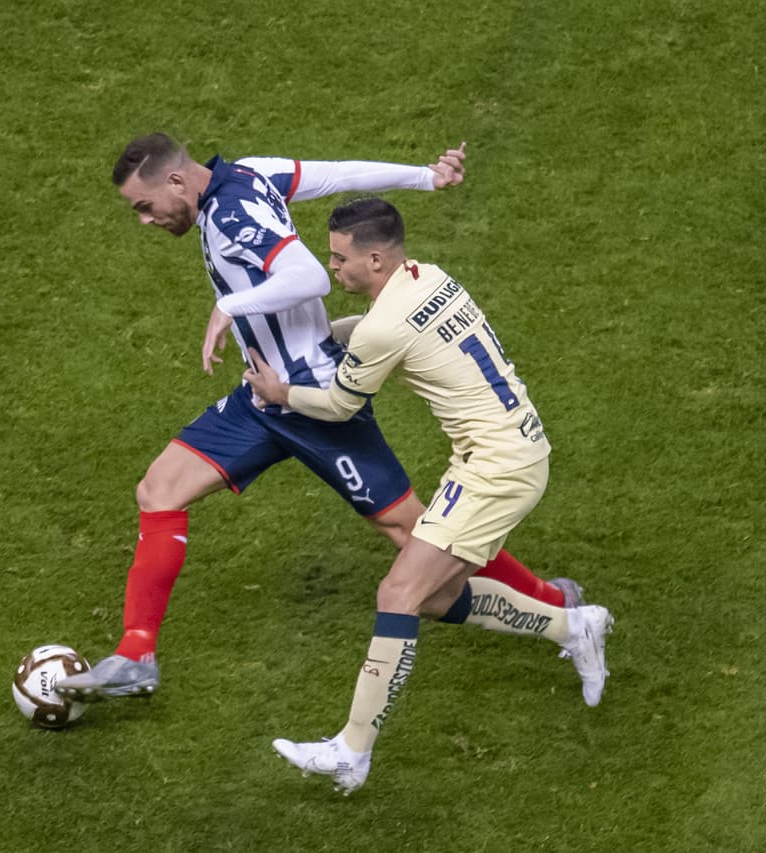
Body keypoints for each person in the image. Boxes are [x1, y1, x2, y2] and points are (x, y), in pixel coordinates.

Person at [57, 134, 581, 703]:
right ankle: (136, 654)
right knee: (158, 490)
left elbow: (309, 277)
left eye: (144, 205)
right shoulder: (251, 172)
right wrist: (423, 177)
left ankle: (555, 603)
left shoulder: (232, 214)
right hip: (261, 398)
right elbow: (336, 174)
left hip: (313, 399)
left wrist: (230, 306)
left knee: (411, 531)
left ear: (177, 182)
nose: (145, 219)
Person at [244, 198, 614, 794]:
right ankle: (573, 627)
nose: (331, 269)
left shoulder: (384, 325)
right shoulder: (429, 276)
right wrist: (318, 337)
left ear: (374, 256)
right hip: (506, 453)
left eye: (339, 258)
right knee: (436, 598)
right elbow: (369, 336)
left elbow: (341, 404)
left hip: (496, 468)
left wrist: (280, 390)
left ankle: (352, 751)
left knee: (397, 591)